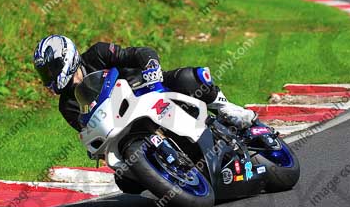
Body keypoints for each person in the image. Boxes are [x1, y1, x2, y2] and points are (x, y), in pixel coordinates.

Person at [33, 34, 256, 133]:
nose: (49, 77)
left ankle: (227, 107)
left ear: (67, 57)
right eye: (45, 73)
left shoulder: (98, 54)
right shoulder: (67, 105)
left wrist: (150, 66)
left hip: (149, 90)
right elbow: (85, 132)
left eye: (51, 69)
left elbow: (140, 53)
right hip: (126, 127)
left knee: (188, 78)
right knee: (126, 180)